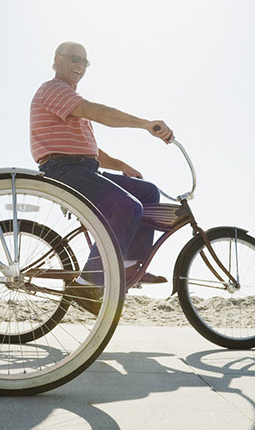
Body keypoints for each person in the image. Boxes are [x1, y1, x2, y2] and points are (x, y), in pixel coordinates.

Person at [29, 41, 175, 306]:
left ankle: (129, 263)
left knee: (148, 192)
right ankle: (88, 284)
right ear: (57, 60)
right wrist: (144, 124)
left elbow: (89, 150)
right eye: (75, 59)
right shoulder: (53, 89)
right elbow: (96, 112)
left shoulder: (69, 101)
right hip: (63, 171)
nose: (80, 66)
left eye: (85, 62)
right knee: (127, 207)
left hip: (82, 167)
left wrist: (121, 165)